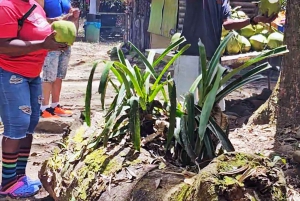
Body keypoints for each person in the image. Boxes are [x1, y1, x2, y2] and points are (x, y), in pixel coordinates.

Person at [0, 0, 67, 198]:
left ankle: (20, 176)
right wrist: (43, 44)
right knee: (17, 125)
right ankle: (7, 182)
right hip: (11, 74)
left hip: (32, 74)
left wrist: (60, 23)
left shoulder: (34, 5)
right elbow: (3, 45)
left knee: (30, 123)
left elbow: (36, 26)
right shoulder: (5, 6)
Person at [176, 0, 277, 110]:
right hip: (190, 53)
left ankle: (208, 126)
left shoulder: (224, 2)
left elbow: (227, 24)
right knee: (185, 102)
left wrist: (253, 20)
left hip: (212, 56)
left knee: (214, 104)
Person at [40, 0, 80, 118]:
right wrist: (56, 20)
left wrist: (73, 15)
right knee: (48, 75)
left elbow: (69, 18)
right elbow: (37, 18)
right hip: (51, 41)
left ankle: (55, 105)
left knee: (59, 75)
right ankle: (44, 108)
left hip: (66, 42)